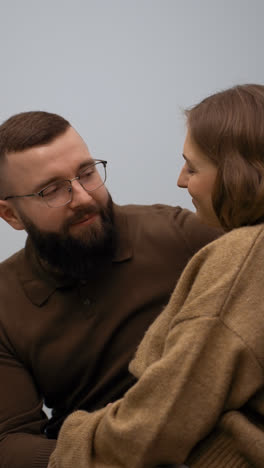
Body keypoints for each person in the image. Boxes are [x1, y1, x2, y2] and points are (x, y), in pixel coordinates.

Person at [48, 83, 264, 468]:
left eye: (193, 167)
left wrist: (74, 439)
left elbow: (166, 418)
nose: (181, 181)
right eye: (51, 190)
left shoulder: (244, 256)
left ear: (240, 173)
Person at [0, 111, 220, 468]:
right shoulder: (4, 303)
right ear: (11, 215)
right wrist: (116, 458)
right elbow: (9, 442)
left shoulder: (176, 232)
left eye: (87, 173)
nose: (84, 198)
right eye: (52, 190)